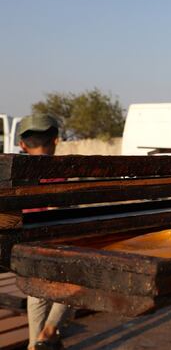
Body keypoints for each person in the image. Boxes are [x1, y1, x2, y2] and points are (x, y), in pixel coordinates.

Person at [18, 114, 72, 350]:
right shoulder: (59, 171)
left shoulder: (14, 171)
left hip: (23, 248)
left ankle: (34, 344)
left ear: (22, 145)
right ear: (56, 140)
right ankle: (48, 332)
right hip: (58, 244)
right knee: (79, 279)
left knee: (36, 288)